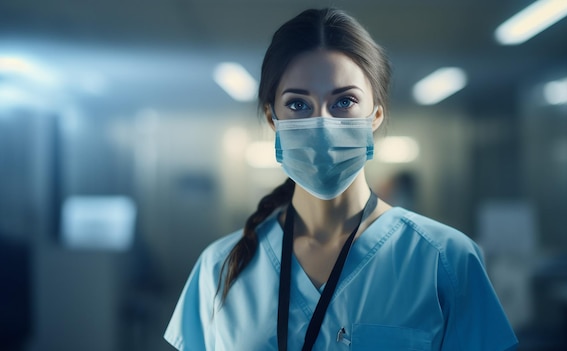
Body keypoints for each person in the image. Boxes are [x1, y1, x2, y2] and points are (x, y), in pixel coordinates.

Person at [164, 8, 518, 351]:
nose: (322, 123)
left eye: (344, 101)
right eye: (298, 105)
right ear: (273, 119)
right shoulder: (220, 267)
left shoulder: (446, 260)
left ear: (376, 115)